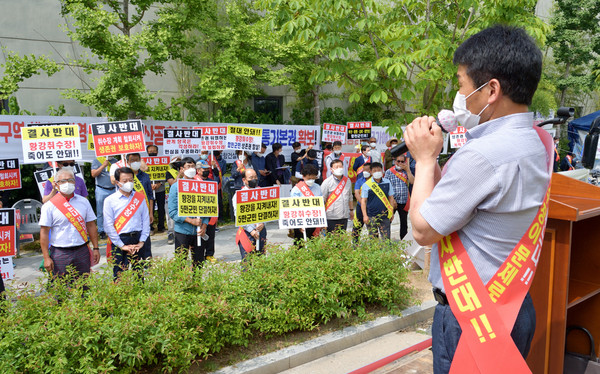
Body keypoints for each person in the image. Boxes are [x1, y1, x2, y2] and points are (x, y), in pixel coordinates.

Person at [404, 25, 549, 373]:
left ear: (491, 90)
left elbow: (423, 230)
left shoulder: (484, 155)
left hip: (472, 317)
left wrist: (424, 161)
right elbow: (453, 203)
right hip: (513, 304)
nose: (460, 94)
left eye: (462, 84)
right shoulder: (536, 142)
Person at [39, 167, 100, 278]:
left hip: (82, 250)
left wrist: (96, 248)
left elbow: (91, 225)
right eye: (63, 181)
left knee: (84, 287)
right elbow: (44, 232)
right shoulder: (49, 206)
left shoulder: (84, 202)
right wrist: (46, 257)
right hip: (60, 252)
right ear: (56, 185)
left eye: (70, 180)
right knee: (61, 288)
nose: (67, 183)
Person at [103, 167, 151, 279]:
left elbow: (145, 220)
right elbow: (108, 225)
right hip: (120, 239)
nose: (128, 183)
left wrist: (142, 241)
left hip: (138, 239)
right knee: (120, 275)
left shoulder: (140, 198)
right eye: (125, 181)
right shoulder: (110, 200)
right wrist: (121, 245)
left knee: (139, 274)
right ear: (117, 182)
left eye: (131, 180)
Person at [168, 157, 210, 268]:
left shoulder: (202, 186)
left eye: (193, 166)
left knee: (199, 263)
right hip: (183, 231)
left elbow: (208, 209)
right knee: (180, 263)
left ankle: (197, 284)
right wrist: (190, 220)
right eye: (188, 166)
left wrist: (204, 225)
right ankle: (181, 285)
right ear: (182, 169)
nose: (191, 169)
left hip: (199, 231)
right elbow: (172, 211)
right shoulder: (175, 187)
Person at [110, 153, 154, 260]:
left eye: (137, 160)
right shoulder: (121, 175)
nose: (135, 162)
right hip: (125, 221)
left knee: (143, 253)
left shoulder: (145, 176)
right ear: (127, 162)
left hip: (141, 216)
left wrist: (151, 212)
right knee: (122, 264)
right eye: (132, 160)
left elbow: (149, 195)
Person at [234, 169, 266, 260]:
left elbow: (268, 211)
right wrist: (251, 230)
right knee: (247, 262)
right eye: (251, 178)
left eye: (255, 177)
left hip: (261, 229)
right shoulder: (239, 195)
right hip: (246, 232)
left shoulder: (262, 193)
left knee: (261, 260)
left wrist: (262, 223)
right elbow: (239, 215)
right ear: (244, 180)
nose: (254, 179)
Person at [360, 162, 396, 239]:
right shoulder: (366, 185)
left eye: (379, 170)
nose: (377, 172)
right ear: (371, 172)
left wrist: (391, 212)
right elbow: (363, 201)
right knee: (373, 240)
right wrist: (365, 215)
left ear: (382, 171)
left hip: (385, 215)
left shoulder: (387, 182)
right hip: (371, 216)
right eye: (374, 170)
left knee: (386, 239)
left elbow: (391, 198)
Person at [291, 164, 323, 243]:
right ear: (303, 176)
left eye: (313, 178)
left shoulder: (318, 187)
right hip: (301, 221)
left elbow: (321, 205)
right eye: (309, 178)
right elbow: (293, 208)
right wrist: (299, 224)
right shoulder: (296, 190)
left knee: (313, 244)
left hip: (314, 220)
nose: (311, 180)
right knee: (300, 244)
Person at [384, 154, 414, 240]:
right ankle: (386, 241)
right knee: (388, 221)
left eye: (402, 161)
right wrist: (391, 200)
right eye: (398, 161)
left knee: (404, 223)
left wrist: (408, 170)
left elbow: (412, 181)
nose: (400, 163)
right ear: (394, 161)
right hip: (392, 201)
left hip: (404, 201)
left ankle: (403, 242)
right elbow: (386, 187)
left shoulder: (406, 171)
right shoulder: (389, 172)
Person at [321, 159, 353, 234]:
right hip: (331, 216)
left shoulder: (347, 181)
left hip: (344, 216)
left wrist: (351, 210)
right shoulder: (327, 182)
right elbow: (322, 200)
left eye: (340, 166)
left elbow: (350, 196)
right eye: (336, 167)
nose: (339, 168)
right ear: (331, 169)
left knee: (341, 240)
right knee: (331, 240)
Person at [91, 156, 118, 240]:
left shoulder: (115, 161)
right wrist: (103, 166)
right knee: (101, 211)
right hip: (101, 189)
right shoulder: (97, 160)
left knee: (115, 210)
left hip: (114, 189)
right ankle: (101, 230)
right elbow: (93, 174)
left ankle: (114, 228)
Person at [197, 161, 219, 263]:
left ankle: (209, 254)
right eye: (203, 169)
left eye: (207, 169)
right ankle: (199, 255)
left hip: (210, 211)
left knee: (210, 233)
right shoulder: (194, 182)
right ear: (198, 170)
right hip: (198, 212)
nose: (206, 171)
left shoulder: (212, 182)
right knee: (199, 234)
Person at [147, 144, 166, 234]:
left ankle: (161, 226)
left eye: (153, 151)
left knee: (161, 209)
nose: (152, 153)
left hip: (160, 189)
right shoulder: (145, 163)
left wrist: (160, 183)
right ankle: (150, 227)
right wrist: (150, 184)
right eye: (150, 152)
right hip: (149, 190)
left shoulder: (162, 162)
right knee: (149, 209)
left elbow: (165, 173)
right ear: (147, 152)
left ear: (157, 152)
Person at [352, 162, 371, 242]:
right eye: (364, 170)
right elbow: (356, 193)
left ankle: (373, 246)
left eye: (367, 170)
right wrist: (363, 204)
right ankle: (355, 245)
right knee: (357, 227)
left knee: (371, 228)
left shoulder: (374, 181)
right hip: (360, 206)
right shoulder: (359, 181)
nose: (364, 172)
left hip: (371, 207)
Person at [165, 156, 181, 245]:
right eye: (177, 161)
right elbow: (172, 183)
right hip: (173, 196)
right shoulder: (169, 172)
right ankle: (171, 233)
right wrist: (179, 174)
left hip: (183, 196)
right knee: (171, 216)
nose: (179, 162)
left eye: (180, 161)